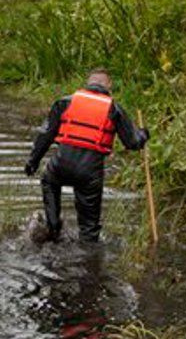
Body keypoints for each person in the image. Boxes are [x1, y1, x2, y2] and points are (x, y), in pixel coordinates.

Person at [24, 68, 149, 242]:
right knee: (89, 230)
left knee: (49, 181)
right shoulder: (113, 108)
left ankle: (53, 227)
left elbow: (46, 135)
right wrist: (144, 134)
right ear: (109, 85)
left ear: (88, 83)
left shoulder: (65, 102)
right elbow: (133, 143)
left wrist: (33, 161)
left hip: (60, 165)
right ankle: (89, 258)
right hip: (89, 173)